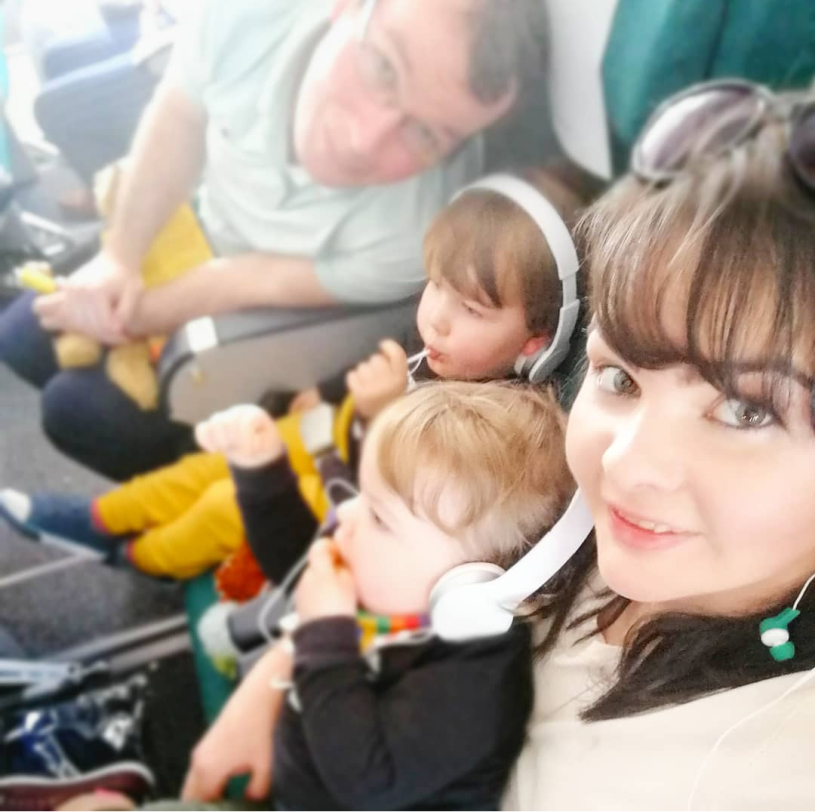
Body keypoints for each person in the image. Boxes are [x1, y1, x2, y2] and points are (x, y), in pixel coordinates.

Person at [0, 0, 548, 480]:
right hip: (191, 221)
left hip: (250, 306)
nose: (363, 139)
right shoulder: (250, 12)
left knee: (74, 411)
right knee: (20, 336)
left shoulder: (421, 230)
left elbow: (244, 282)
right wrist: (119, 258)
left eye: (425, 133)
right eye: (383, 67)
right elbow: (181, 113)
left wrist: (124, 318)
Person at [0, 173, 583, 584]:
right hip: (343, 431)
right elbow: (388, 366)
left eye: (472, 309)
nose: (436, 319)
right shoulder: (448, 351)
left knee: (224, 501)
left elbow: (402, 492)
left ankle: (141, 558)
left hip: (358, 495)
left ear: (535, 342)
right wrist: (327, 394)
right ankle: (100, 520)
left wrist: (379, 414)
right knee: (212, 463)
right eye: (436, 286)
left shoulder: (506, 431)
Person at [501, 82, 815, 809]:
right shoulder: (555, 511)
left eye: (745, 410)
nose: (623, 464)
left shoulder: (773, 771)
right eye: (620, 377)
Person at [182, 380, 575, 808]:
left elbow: (366, 780)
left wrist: (323, 635)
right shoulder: (392, 587)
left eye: (380, 519)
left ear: (468, 588)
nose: (346, 513)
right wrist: (261, 471)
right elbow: (302, 568)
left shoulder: (475, 691)